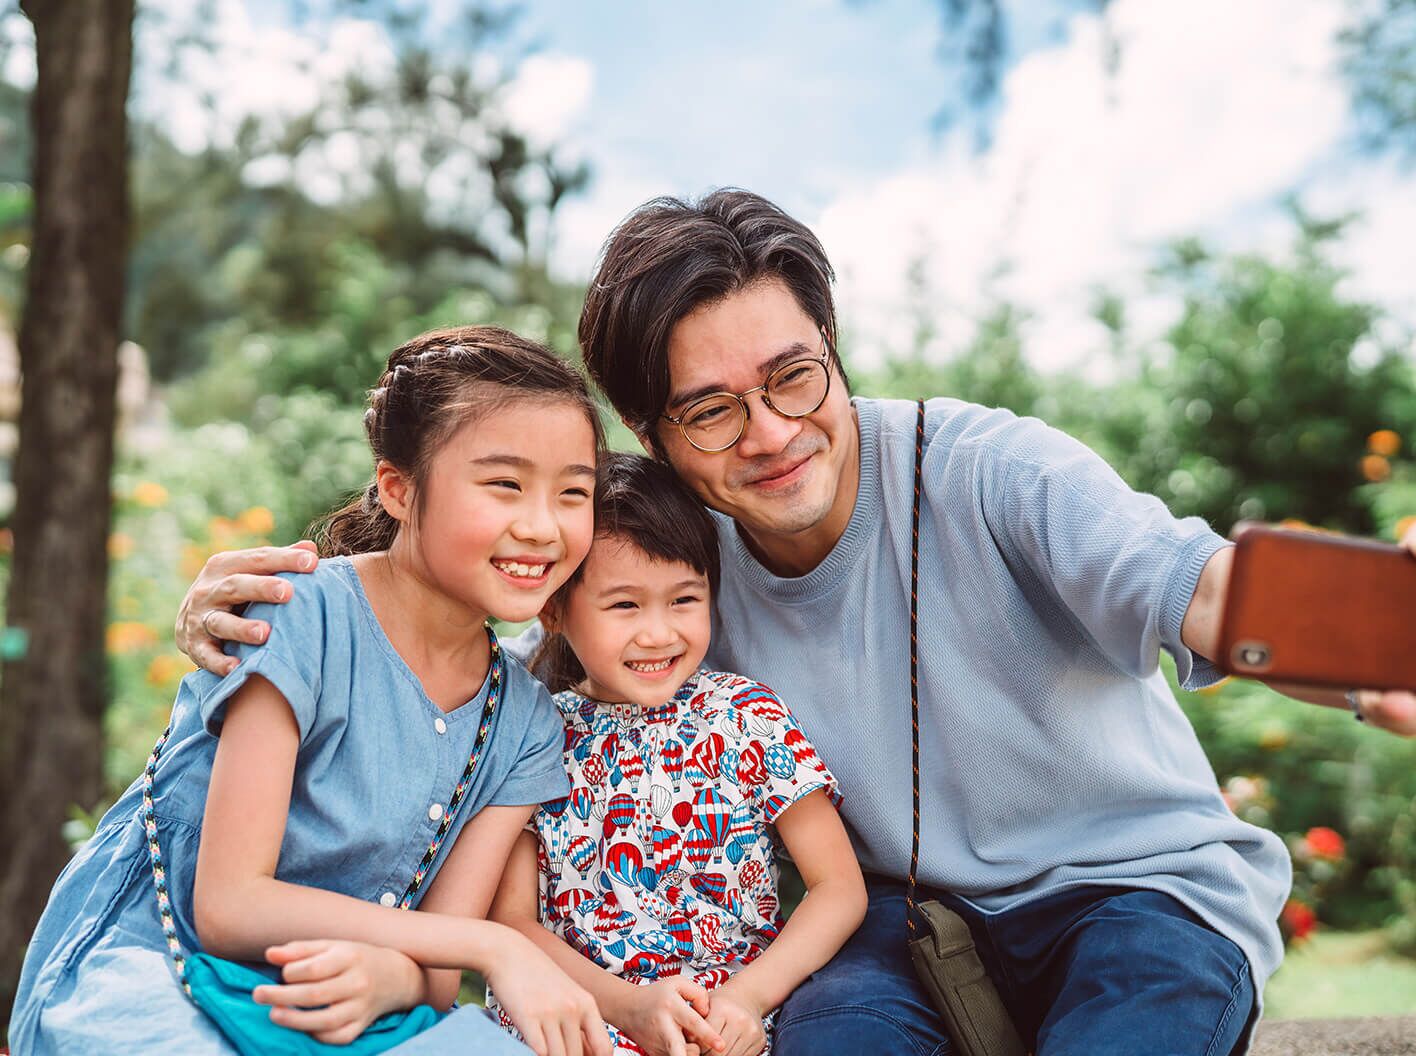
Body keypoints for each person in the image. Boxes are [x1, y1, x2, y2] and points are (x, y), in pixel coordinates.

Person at [175, 191, 1416, 1056]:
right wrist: (283, 601)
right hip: (891, 923)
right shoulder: (677, 562)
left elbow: (1197, 588)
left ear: (831, 346)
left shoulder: (992, 470)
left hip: (1138, 893)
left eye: (792, 378)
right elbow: (498, 641)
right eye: (711, 411)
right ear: (655, 440)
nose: (770, 435)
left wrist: (1373, 659)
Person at [13, 326, 615, 1056]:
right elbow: (230, 904)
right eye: (505, 485)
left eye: (573, 493)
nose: (541, 526)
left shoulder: (520, 721)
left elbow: (430, 978)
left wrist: (394, 976)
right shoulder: (300, 616)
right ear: (399, 489)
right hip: (151, 968)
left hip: (339, 1005)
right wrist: (496, 947)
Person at [485, 453, 866, 1056]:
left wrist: (748, 997)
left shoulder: (745, 716)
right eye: (625, 606)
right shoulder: (531, 732)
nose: (659, 633)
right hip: (577, 1020)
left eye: (684, 600)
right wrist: (626, 1008)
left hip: (729, 1025)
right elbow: (513, 922)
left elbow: (839, 886)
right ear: (554, 608)